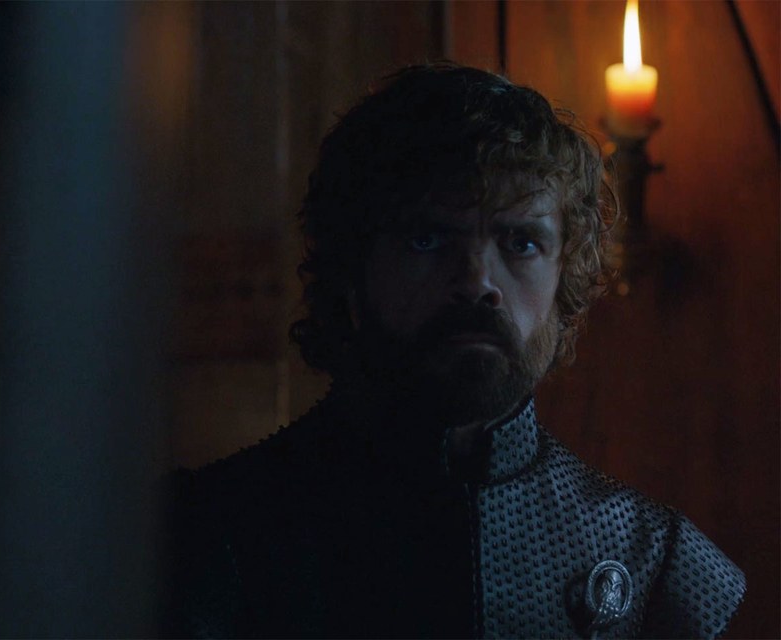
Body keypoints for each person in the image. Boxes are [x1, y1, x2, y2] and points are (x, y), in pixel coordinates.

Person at [160, 62, 745, 639]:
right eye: (427, 239)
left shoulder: (651, 559)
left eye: (520, 242)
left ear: (564, 274)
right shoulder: (213, 535)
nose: (477, 282)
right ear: (353, 270)